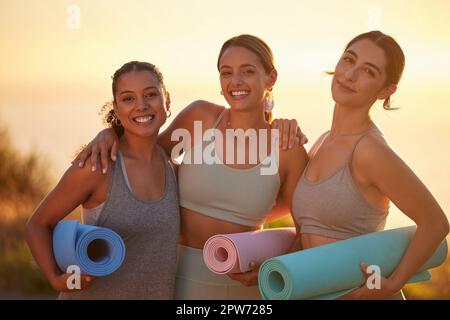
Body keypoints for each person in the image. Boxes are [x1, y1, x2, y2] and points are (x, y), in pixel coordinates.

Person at [74, 34, 308, 299]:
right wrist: (110, 134)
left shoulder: (288, 149)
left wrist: (274, 267)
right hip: (178, 279)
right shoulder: (200, 118)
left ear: (271, 78)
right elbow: (145, 153)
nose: (236, 82)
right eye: (226, 72)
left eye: (248, 71)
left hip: (248, 287)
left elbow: (307, 230)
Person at [290, 31, 449, 299]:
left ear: (386, 91)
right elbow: (309, 233)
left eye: (368, 71)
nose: (350, 75)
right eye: (348, 59)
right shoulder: (322, 142)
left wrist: (395, 282)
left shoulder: (370, 152)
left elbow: (435, 223)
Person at [26, 61, 180, 299]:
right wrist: (56, 278)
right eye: (128, 99)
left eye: (151, 95)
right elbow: (38, 224)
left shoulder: (173, 166)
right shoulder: (98, 166)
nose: (141, 105)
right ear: (117, 109)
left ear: (166, 100)